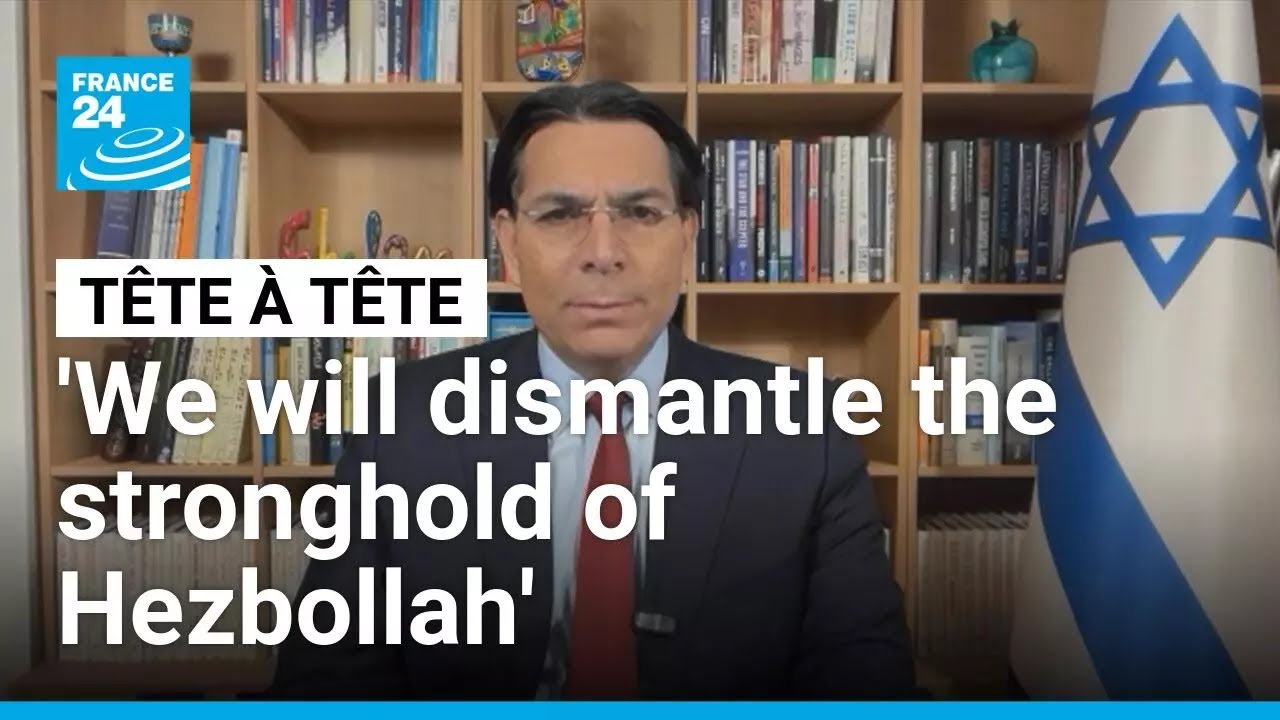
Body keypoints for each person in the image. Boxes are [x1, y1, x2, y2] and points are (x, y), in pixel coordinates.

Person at [266, 79, 917, 699]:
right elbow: (328, 684)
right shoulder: (405, 426)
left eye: (641, 212)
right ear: (509, 243)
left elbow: (866, 686)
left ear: (686, 237)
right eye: (560, 214)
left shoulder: (803, 431)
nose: (603, 252)